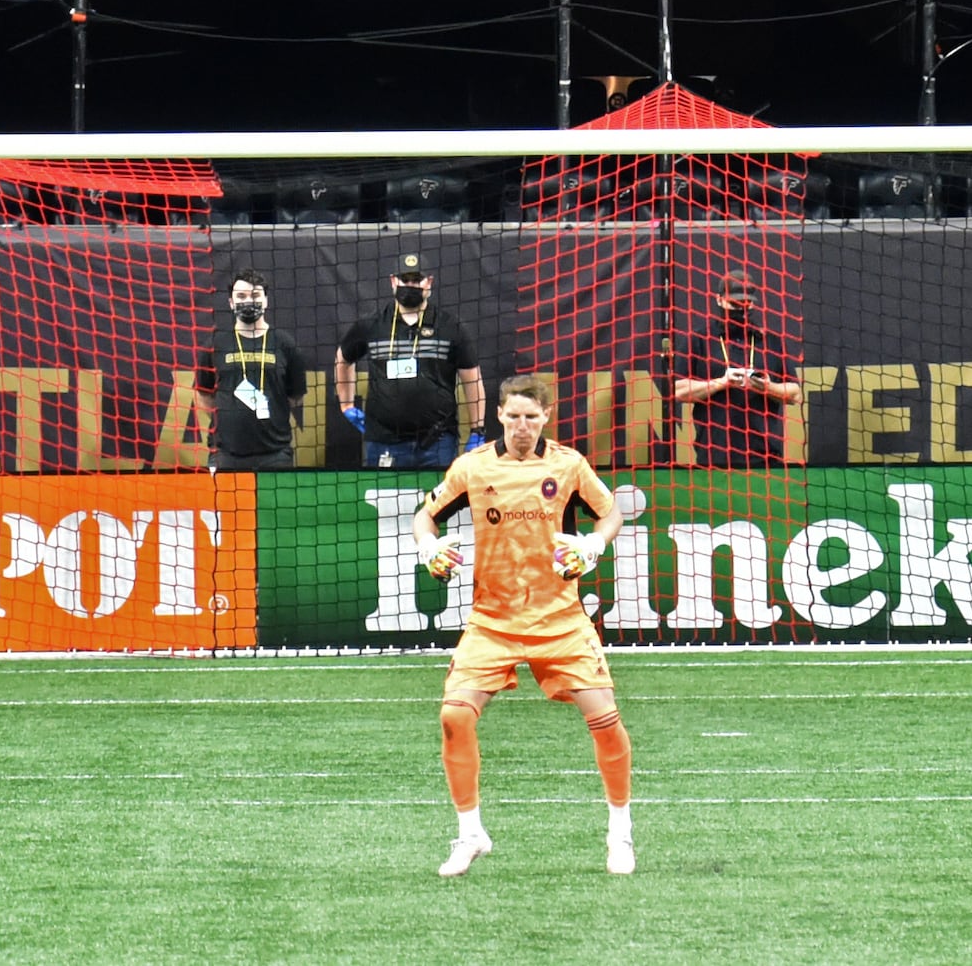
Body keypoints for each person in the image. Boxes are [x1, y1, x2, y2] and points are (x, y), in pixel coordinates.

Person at [413, 380, 635, 880]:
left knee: (605, 718)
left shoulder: (569, 465)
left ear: (546, 417)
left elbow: (611, 514)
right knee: (454, 716)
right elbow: (424, 518)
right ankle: (471, 834)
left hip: (559, 619)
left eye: (531, 418)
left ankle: (619, 832)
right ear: (498, 414)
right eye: (513, 417)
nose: (521, 427)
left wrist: (593, 546)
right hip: (492, 620)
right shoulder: (472, 468)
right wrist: (430, 550)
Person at [336, 250, 485, 471]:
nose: (411, 285)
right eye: (405, 279)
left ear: (429, 282)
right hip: (383, 440)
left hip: (438, 441)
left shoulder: (450, 326)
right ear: (393, 281)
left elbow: (472, 379)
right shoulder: (372, 324)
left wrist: (477, 430)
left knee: (440, 503)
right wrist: (346, 405)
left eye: (417, 280)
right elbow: (343, 358)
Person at [669, 272, 802, 465]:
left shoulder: (769, 340)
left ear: (753, 303)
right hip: (714, 456)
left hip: (765, 457)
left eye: (746, 304)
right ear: (720, 300)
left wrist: (765, 387)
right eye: (735, 304)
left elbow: (795, 394)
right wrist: (722, 383)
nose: (741, 309)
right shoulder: (699, 339)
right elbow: (677, 391)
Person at [199, 272, 309, 470]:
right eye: (241, 296)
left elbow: (295, 397)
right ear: (231, 303)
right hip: (225, 453)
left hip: (275, 453)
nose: (249, 301)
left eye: (256, 295)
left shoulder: (285, 344)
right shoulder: (215, 344)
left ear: (266, 300)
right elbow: (205, 394)